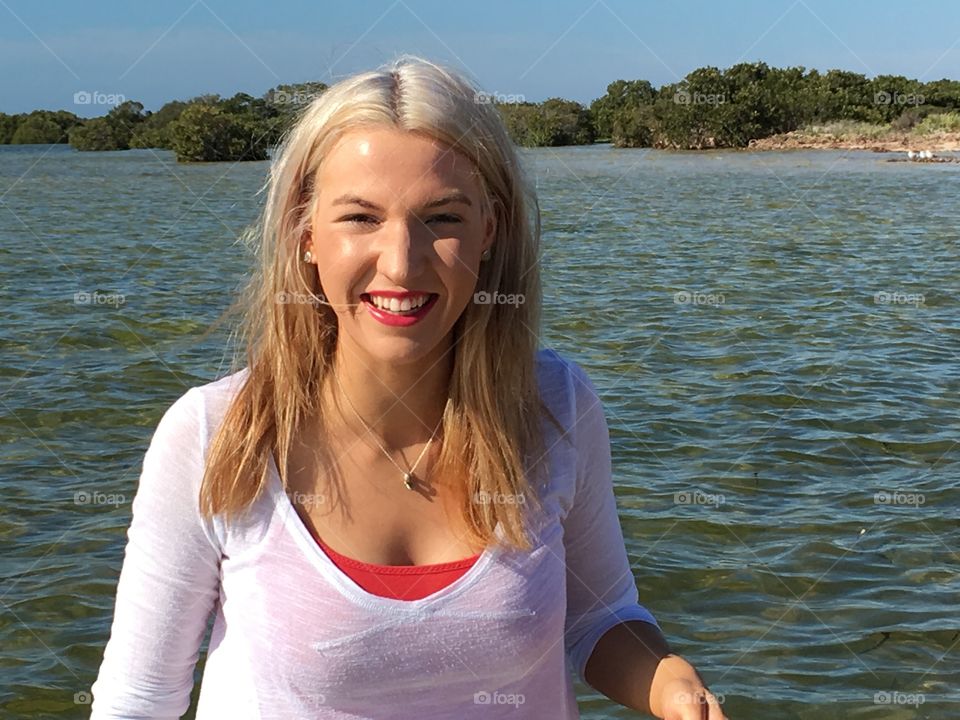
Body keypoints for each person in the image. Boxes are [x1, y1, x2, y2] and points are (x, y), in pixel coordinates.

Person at [90, 55, 726, 719]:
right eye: (360, 218)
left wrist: (674, 688)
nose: (401, 261)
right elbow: (137, 701)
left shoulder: (556, 407)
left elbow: (600, 619)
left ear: (490, 231)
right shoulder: (215, 435)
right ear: (304, 234)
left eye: (443, 219)